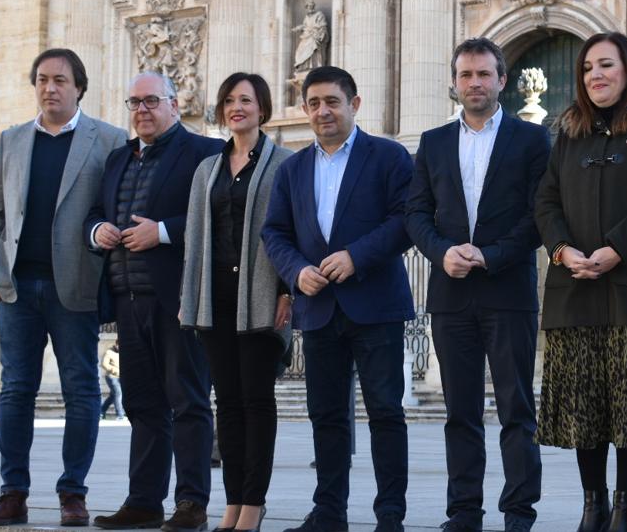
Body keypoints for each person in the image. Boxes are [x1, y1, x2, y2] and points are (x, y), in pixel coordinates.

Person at [534, 32, 627, 532]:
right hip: (574, 286)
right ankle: (592, 502)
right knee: (583, 404)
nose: (595, 75)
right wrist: (562, 249)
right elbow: (546, 200)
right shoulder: (569, 134)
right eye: (586, 68)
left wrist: (614, 248)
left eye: (606, 65)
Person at [0, 48, 127, 527]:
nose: (50, 88)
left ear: (79, 87)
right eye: (42, 79)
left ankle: (72, 495)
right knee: (15, 390)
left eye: (60, 80)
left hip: (75, 284)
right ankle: (12, 493)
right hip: (18, 286)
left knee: (81, 390)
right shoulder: (13, 140)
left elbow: (114, 207)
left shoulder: (108, 139)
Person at [405, 38, 550, 532]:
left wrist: (490, 255)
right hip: (450, 294)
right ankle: (464, 511)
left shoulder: (532, 141)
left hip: (508, 292)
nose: (474, 84)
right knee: (459, 413)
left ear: (502, 81)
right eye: (466, 75)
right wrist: (441, 252)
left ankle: (518, 512)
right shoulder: (433, 142)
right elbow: (416, 213)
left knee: (517, 408)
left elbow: (539, 217)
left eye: (484, 75)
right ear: (454, 83)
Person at [261, 66, 415, 532]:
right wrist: (296, 271)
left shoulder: (389, 157)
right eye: (314, 103)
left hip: (376, 306)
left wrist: (356, 256)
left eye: (332, 101)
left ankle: (390, 513)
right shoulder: (291, 168)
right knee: (326, 415)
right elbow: (275, 232)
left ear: (355, 104)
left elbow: (406, 219)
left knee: (385, 412)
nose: (323, 111)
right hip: (319, 308)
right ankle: (329, 511)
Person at [87, 72, 223, 532]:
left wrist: (162, 231)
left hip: (178, 299)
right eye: (134, 103)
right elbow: (95, 212)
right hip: (127, 299)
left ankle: (191, 504)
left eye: (151, 101)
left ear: (174, 104)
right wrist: (97, 230)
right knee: (143, 404)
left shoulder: (204, 153)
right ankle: (144, 501)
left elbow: (219, 215)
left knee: (187, 401)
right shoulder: (117, 160)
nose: (142, 110)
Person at [179, 73, 294, 532]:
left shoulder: (284, 163)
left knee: (256, 401)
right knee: (225, 403)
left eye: (245, 100)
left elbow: (292, 231)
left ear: (262, 108)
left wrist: (288, 290)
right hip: (216, 300)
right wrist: (190, 297)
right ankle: (231, 502)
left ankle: (254, 502)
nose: (235, 108)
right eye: (229, 100)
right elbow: (193, 237)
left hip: (262, 298)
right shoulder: (207, 169)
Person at [101, 342, 124, 420]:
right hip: (111, 377)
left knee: (113, 395)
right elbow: (104, 364)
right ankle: (120, 415)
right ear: (116, 344)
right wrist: (115, 370)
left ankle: (101, 411)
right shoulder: (109, 352)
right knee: (118, 393)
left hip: (120, 377)